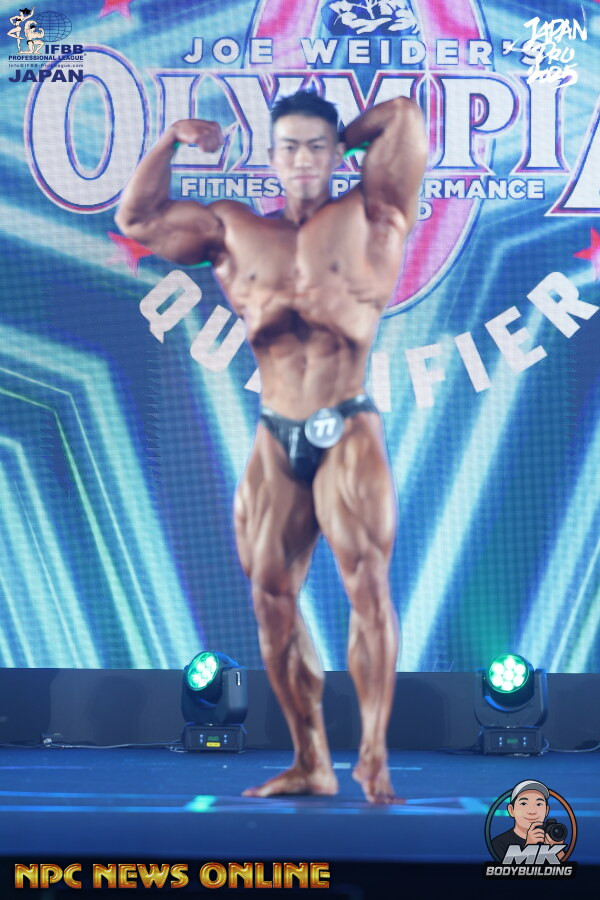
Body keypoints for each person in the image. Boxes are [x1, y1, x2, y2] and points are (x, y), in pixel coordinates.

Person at [116, 89, 427, 803]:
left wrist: (346, 134)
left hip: (347, 425)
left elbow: (404, 116)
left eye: (317, 146)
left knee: (367, 585)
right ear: (270, 157)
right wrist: (169, 139)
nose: (303, 159)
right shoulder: (234, 232)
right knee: (270, 598)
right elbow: (137, 220)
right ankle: (311, 761)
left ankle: (373, 756)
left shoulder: (374, 213)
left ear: (337, 154)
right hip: (275, 434)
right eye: (289, 147)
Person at [491, 781, 567, 861]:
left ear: (546, 811)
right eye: (524, 804)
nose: (532, 811)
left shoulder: (551, 837)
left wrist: (557, 849)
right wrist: (529, 847)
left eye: (539, 804)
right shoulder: (498, 844)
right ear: (511, 810)